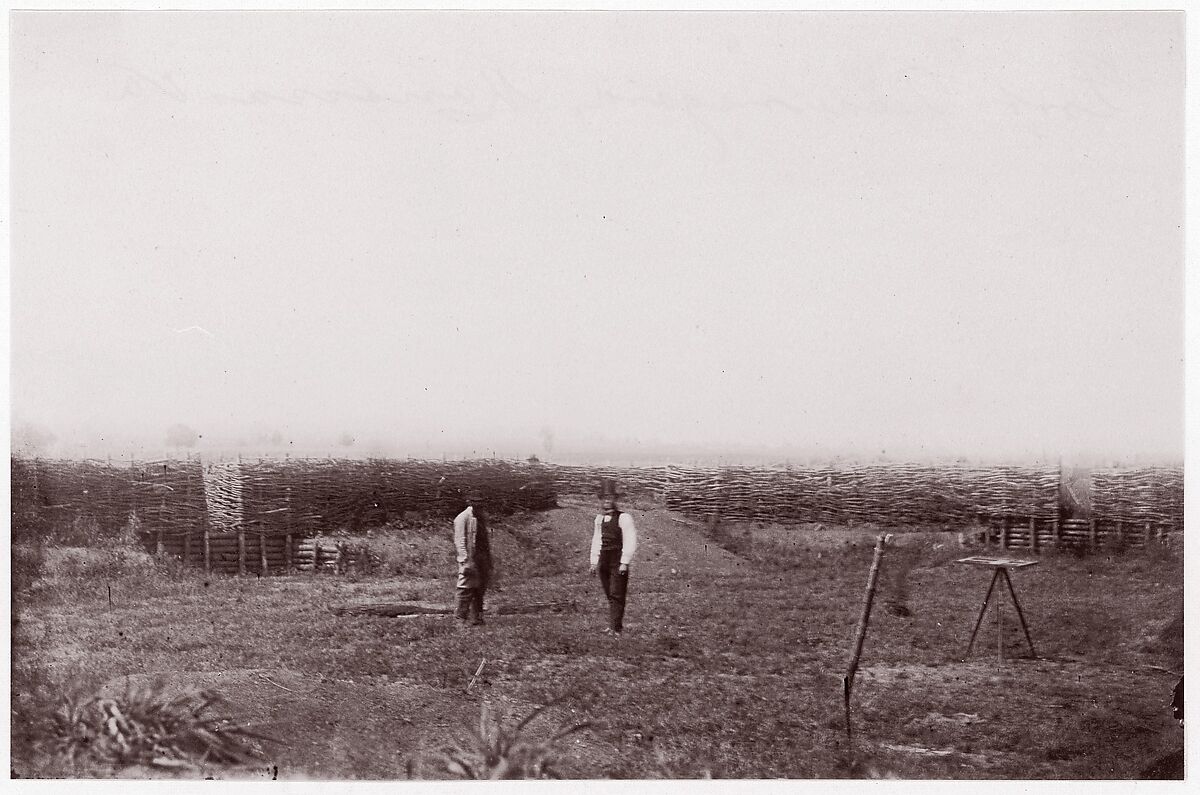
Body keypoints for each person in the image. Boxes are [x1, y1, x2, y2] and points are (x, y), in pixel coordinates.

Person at [590, 479, 638, 635]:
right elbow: (597, 540)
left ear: (615, 499)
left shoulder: (624, 518)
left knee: (617, 593)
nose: (607, 501)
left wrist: (624, 562)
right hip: (604, 559)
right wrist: (593, 562)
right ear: (601, 500)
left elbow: (630, 540)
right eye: (604, 498)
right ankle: (613, 624)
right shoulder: (599, 519)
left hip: (617, 560)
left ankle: (615, 628)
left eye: (610, 497)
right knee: (609, 593)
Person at [453, 489, 492, 626]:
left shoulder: (481, 517)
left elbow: (484, 540)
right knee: (465, 588)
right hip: (470, 558)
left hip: (482, 557)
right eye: (475, 502)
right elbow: (460, 541)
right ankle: (460, 619)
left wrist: (488, 560)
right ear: (469, 502)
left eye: (480, 502)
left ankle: (477, 618)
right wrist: (464, 561)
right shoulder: (462, 518)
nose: (478, 505)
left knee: (479, 588)